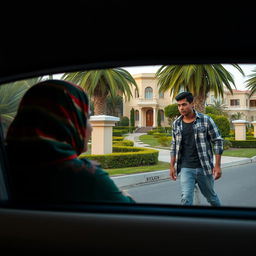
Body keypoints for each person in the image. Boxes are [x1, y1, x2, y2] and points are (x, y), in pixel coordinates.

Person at [5, 79, 135, 203]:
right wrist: (125, 194)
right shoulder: (86, 177)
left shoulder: (6, 166)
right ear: (69, 121)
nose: (91, 128)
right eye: (86, 117)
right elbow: (131, 216)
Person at [170, 91, 223, 206]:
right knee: (186, 199)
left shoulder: (206, 120)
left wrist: (217, 165)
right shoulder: (176, 124)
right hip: (186, 168)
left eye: (184, 104)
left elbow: (218, 141)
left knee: (211, 198)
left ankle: (223, 219)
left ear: (192, 104)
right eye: (179, 105)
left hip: (204, 168)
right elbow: (174, 145)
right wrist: (172, 166)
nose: (181, 108)